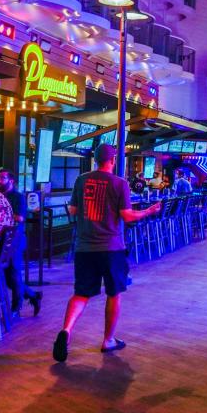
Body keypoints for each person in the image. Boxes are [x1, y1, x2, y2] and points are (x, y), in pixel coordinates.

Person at [53, 144, 161, 362]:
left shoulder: (81, 180)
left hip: (84, 248)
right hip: (111, 248)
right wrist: (149, 211)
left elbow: (73, 210)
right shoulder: (120, 183)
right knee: (113, 293)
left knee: (81, 293)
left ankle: (66, 331)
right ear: (112, 160)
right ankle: (108, 340)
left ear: (95, 159)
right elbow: (128, 216)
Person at [0, 168, 42, 317]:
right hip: (1, 239)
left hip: (15, 239)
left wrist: (2, 214)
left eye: (3, 178)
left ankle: (15, 308)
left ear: (11, 181)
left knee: (14, 273)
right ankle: (33, 295)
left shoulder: (18, 197)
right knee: (7, 277)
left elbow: (21, 218)